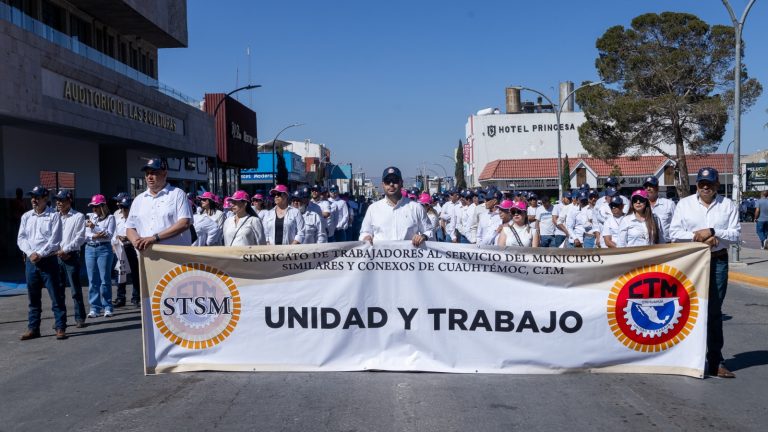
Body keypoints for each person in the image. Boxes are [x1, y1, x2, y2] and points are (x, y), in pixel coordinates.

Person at [669, 167, 740, 378]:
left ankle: (716, 361)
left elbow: (736, 235)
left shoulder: (728, 205)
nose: (706, 187)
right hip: (691, 262)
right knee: (688, 309)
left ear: (717, 184)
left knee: (714, 312)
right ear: (697, 185)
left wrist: (713, 231)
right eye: (702, 184)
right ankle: (688, 359)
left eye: (710, 184)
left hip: (717, 261)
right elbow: (673, 233)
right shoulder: (685, 204)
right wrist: (698, 237)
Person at [17, 186, 66, 340]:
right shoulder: (26, 217)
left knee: (56, 296)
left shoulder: (54, 216)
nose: (34, 200)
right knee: (33, 297)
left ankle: (60, 327)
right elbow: (21, 238)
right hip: (31, 262)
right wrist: (31, 253)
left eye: (37, 197)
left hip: (48, 261)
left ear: (45, 199)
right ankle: (33, 328)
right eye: (32, 197)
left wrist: (40, 253)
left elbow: (55, 240)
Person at [126, 158, 193, 251]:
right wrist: (136, 241)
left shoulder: (177, 194)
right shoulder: (138, 199)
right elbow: (130, 227)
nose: (149, 177)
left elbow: (184, 223)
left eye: (154, 173)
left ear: (164, 174)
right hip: (147, 256)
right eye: (147, 173)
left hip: (175, 257)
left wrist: (155, 238)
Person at [359, 166, 432, 245]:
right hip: (380, 257)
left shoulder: (416, 208)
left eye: (395, 180)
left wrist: (423, 236)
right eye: (387, 181)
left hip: (409, 257)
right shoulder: (373, 209)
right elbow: (364, 232)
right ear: (382, 184)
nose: (391, 184)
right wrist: (366, 237)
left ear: (401, 183)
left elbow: (429, 231)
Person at [53, 190, 87, 327]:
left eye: (61, 200)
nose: (59, 203)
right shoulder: (54, 217)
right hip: (56, 256)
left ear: (69, 201)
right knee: (58, 290)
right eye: (57, 200)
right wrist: (57, 251)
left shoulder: (78, 216)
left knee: (75, 289)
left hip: (71, 256)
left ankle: (80, 318)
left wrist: (65, 250)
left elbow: (80, 238)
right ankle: (60, 321)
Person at [84, 194, 116, 318]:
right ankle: (94, 307)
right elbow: (85, 235)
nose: (94, 209)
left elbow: (108, 235)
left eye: (96, 207)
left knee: (105, 279)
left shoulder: (110, 218)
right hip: (90, 249)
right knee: (92, 280)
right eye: (93, 207)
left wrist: (94, 228)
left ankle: (107, 306)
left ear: (103, 206)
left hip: (104, 249)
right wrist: (95, 235)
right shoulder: (91, 217)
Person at [112, 196, 140, 307]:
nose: (123, 211)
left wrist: (128, 238)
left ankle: (136, 297)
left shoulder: (137, 221)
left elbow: (141, 235)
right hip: (120, 249)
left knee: (135, 274)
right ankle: (120, 298)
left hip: (133, 248)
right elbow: (113, 234)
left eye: (125, 209)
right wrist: (115, 242)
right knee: (120, 273)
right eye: (122, 208)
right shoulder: (118, 220)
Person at [643, 176, 675, 243]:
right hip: (648, 246)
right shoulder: (641, 206)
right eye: (646, 187)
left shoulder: (669, 204)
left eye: (651, 186)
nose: (648, 189)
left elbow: (676, 224)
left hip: (667, 245)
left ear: (657, 188)